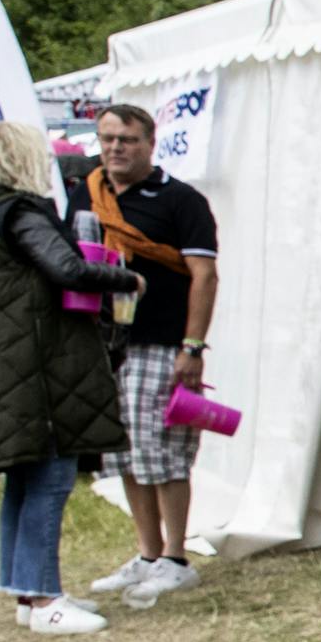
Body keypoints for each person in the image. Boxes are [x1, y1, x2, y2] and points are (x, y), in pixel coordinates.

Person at [0, 119, 142, 632]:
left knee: (24, 476)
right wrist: (126, 277)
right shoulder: (19, 211)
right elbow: (68, 269)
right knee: (51, 477)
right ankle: (44, 601)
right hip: (31, 363)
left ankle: (25, 587)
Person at [80, 101, 219, 606]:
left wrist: (193, 345)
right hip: (105, 346)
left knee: (163, 453)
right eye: (108, 138)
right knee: (124, 455)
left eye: (128, 140)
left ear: (150, 143)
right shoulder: (87, 192)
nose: (116, 148)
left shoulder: (181, 201)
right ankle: (147, 552)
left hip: (162, 343)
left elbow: (204, 276)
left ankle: (176, 557)